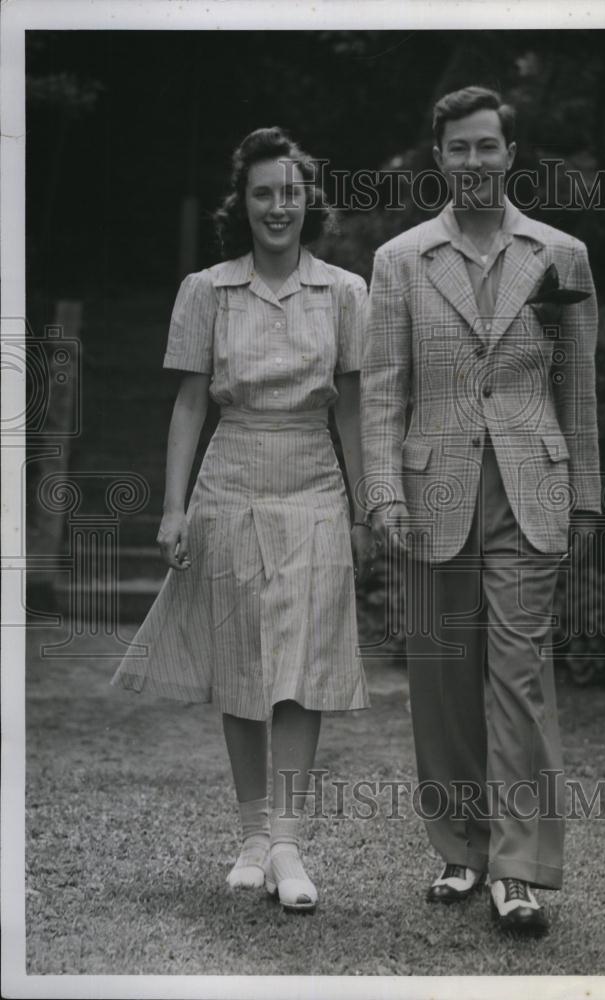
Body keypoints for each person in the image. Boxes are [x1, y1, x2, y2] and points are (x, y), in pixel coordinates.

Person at [112, 127, 373, 914]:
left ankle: (289, 840)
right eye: (263, 192)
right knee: (242, 660)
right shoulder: (207, 290)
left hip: (314, 487)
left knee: (304, 662)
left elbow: (355, 409)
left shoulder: (346, 293)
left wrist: (365, 507)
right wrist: (173, 505)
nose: (277, 207)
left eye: (290, 192)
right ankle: (254, 834)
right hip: (229, 481)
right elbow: (189, 401)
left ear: (307, 200)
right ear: (245, 203)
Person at [360, 86, 601, 933]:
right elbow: (383, 390)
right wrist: (384, 489)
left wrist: (589, 496)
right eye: (458, 147)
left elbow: (580, 387)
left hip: (531, 488)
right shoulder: (400, 261)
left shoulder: (559, 254)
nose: (473, 162)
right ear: (438, 157)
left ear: (510, 152)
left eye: (487, 146)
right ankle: (461, 851)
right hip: (435, 488)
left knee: (520, 673)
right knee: (440, 678)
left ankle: (519, 870)